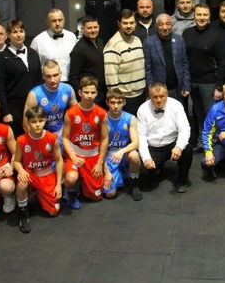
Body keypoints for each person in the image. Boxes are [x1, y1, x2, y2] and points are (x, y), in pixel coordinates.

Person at [182, 4, 225, 149]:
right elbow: (184, 59)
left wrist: (219, 87)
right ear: (194, 16)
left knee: (211, 115)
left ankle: (212, 144)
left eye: (205, 15)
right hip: (191, 81)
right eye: (199, 14)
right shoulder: (187, 33)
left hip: (209, 83)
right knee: (197, 114)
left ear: (209, 17)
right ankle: (202, 142)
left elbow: (223, 63)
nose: (201, 18)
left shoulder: (217, 35)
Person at [13, 106, 64, 233]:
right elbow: (16, 161)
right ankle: (22, 211)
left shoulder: (52, 138)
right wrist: (21, 170)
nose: (37, 124)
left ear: (45, 120)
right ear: (28, 122)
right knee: (22, 184)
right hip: (30, 174)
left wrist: (58, 185)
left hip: (47, 174)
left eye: (40, 121)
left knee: (54, 211)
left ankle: (38, 194)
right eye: (34, 121)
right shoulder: (21, 140)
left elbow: (59, 160)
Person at [136, 82, 193, 193]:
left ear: (167, 94)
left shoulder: (176, 105)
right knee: (146, 181)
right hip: (153, 147)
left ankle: (182, 180)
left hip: (172, 143)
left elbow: (184, 129)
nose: (159, 100)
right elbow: (141, 137)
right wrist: (146, 158)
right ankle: (158, 168)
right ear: (149, 96)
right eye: (155, 97)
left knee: (188, 149)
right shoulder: (142, 109)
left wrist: (179, 147)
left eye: (162, 96)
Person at [62, 76, 108, 208]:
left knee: (96, 196)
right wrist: (73, 157)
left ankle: (82, 186)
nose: (89, 95)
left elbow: (105, 138)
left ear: (97, 93)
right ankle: (70, 192)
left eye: (93, 92)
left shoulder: (101, 113)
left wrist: (99, 163)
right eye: (86, 92)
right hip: (75, 154)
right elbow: (65, 138)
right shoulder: (71, 113)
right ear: (80, 93)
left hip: (93, 156)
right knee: (71, 178)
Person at [0, 19, 42, 138]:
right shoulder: (2, 58)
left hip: (33, 105)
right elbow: (0, 88)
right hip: (14, 107)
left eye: (21, 31)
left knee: (35, 138)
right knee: (18, 140)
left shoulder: (33, 53)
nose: (19, 35)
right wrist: (6, 112)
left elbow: (39, 80)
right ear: (8, 35)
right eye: (15, 32)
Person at [102, 88, 142, 200]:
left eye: (119, 102)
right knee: (110, 194)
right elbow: (99, 149)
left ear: (124, 103)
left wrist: (122, 151)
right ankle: (120, 175)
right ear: (107, 102)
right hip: (108, 156)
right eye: (112, 102)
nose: (116, 106)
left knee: (134, 155)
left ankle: (134, 183)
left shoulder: (130, 118)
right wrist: (106, 171)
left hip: (124, 154)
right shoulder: (102, 119)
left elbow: (136, 143)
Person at [104, 9, 146, 115]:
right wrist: (117, 99)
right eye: (125, 23)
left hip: (141, 94)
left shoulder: (137, 40)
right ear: (119, 24)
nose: (128, 26)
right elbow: (111, 77)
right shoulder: (113, 45)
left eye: (131, 22)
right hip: (125, 98)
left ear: (135, 23)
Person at [144, 13, 191, 101]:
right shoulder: (149, 42)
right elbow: (148, 69)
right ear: (156, 26)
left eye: (168, 24)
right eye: (161, 24)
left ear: (172, 25)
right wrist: (151, 88)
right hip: (159, 90)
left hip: (178, 88)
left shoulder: (179, 39)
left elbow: (185, 64)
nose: (165, 27)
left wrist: (186, 86)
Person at [24, 59, 77, 134]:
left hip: (62, 132)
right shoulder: (34, 94)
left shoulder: (68, 89)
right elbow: (26, 123)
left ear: (60, 74)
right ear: (43, 76)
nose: (52, 80)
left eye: (55, 75)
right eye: (48, 76)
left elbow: (76, 114)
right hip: (42, 135)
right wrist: (38, 138)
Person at [30, 8, 77, 83]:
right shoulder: (37, 41)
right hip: (48, 83)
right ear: (47, 22)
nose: (57, 23)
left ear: (64, 20)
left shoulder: (72, 37)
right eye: (54, 21)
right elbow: (33, 68)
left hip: (71, 81)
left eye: (60, 20)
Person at [68, 15, 106, 101]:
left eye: (95, 27)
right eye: (89, 28)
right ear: (82, 29)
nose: (93, 30)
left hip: (102, 92)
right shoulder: (79, 49)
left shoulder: (100, 42)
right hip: (89, 95)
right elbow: (73, 77)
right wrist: (81, 97)